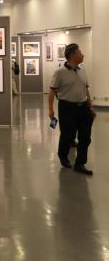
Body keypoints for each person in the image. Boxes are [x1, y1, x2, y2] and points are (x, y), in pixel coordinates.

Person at [48, 43, 96, 175]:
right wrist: (50, 110)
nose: (83, 55)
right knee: (67, 135)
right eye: (80, 52)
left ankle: (80, 163)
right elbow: (52, 92)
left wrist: (90, 107)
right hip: (67, 107)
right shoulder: (59, 72)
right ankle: (63, 155)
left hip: (83, 107)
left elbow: (86, 90)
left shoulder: (83, 70)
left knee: (85, 137)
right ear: (73, 54)